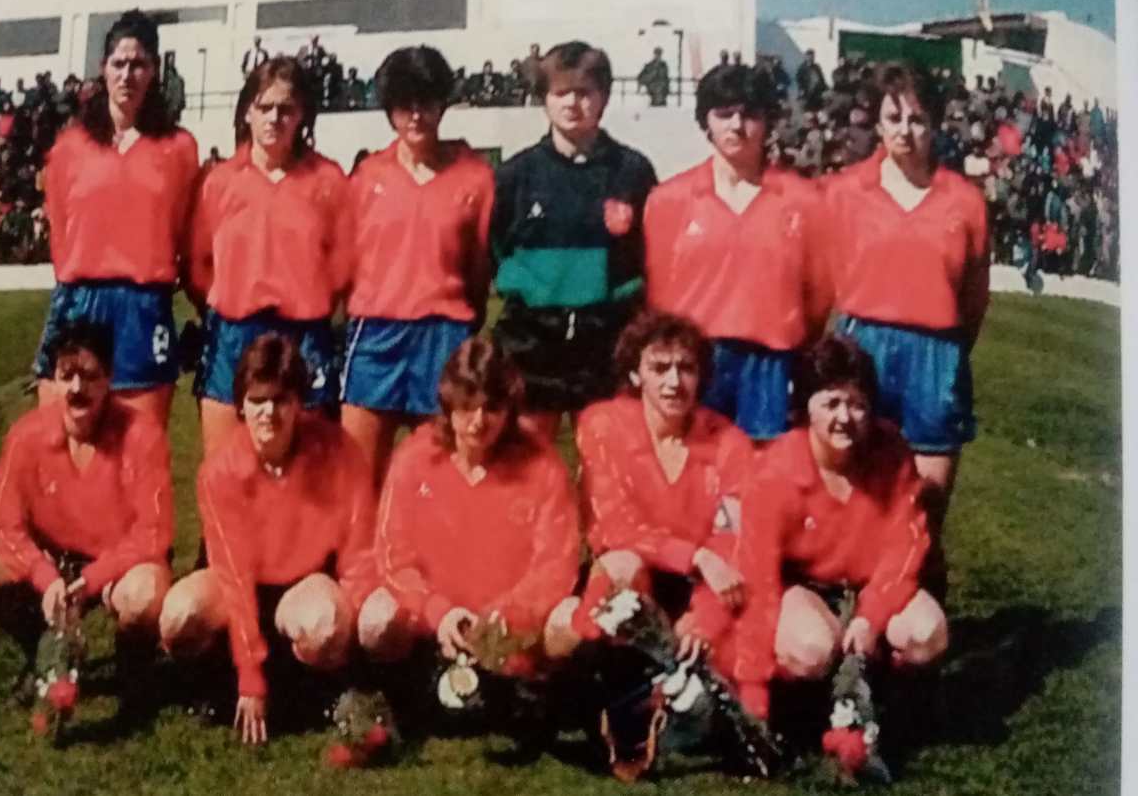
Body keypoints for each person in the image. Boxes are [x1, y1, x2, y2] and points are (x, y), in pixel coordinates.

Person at [823, 61, 989, 598]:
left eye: (918, 118)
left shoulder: (964, 201)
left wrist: (944, 352)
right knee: (858, 499)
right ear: (875, 121)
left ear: (936, 123)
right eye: (892, 117)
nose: (905, 130)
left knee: (924, 511)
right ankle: (854, 634)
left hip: (935, 356)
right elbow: (825, 276)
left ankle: (919, 650)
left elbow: (974, 299)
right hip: (862, 351)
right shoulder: (846, 192)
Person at [160, 334, 377, 745]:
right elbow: (234, 577)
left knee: (325, 625)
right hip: (240, 584)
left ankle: (323, 689)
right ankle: (210, 683)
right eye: (257, 401)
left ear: (299, 403)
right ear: (240, 405)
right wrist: (249, 677)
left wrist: (357, 647)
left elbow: (358, 550)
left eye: (281, 400)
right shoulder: (220, 472)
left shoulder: (337, 449)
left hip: (305, 581)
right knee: (179, 615)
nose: (269, 413)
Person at [720, 335, 947, 720]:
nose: (844, 417)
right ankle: (809, 698)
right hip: (806, 589)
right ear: (806, 406)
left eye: (857, 405)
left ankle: (874, 689)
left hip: (870, 588)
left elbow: (906, 549)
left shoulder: (892, 454)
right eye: (831, 403)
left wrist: (869, 618)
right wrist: (754, 683)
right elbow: (758, 575)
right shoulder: (775, 471)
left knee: (928, 634)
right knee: (811, 649)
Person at [0, 321, 174, 711]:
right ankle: (42, 650)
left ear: (109, 377)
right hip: (53, 559)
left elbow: (154, 531)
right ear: (53, 380)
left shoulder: (142, 435)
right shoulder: (26, 434)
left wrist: (93, 579)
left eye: (90, 376)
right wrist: (44, 576)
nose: (77, 388)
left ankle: (133, 667)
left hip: (114, 564)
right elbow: (0, 522)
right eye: (67, 376)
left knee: (145, 594)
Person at [358, 336, 582, 673]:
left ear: (509, 409)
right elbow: (393, 555)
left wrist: (501, 616)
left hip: (510, 625)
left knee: (572, 618)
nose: (479, 420)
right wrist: (438, 611)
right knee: (376, 618)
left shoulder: (543, 465)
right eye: (466, 406)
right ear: (448, 405)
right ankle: (397, 688)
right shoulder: (415, 457)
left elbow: (556, 566)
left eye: (491, 408)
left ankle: (544, 694)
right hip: (434, 618)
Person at [644, 64, 830, 441]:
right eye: (724, 114)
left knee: (763, 482)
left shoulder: (804, 201)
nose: (736, 126)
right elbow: (658, 293)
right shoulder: (670, 199)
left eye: (749, 114)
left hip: (772, 364)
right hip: (696, 359)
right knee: (694, 474)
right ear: (706, 121)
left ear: (767, 121)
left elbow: (819, 293)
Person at [34, 9, 199, 427]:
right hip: (79, 302)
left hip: (143, 308)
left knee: (138, 457)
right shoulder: (71, 146)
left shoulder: (178, 148)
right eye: (119, 63)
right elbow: (60, 230)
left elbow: (184, 231)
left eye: (139, 64)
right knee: (60, 451)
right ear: (103, 69)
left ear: (155, 71)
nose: (128, 75)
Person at [339, 46, 494, 486]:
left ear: (442, 104)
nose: (415, 116)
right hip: (376, 334)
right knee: (359, 473)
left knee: (440, 474)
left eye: (425, 102)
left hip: (443, 332)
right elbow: (349, 258)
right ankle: (358, 558)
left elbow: (479, 265)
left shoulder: (475, 176)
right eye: (404, 105)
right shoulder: (368, 176)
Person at [490, 41, 658, 441]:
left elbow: (647, 252)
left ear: (603, 98)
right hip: (533, 340)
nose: (572, 103)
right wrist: (536, 291)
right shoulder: (517, 174)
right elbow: (495, 248)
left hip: (605, 339)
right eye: (560, 92)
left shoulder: (631, 171)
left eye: (584, 92)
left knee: (606, 462)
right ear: (545, 100)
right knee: (528, 463)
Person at [186, 56, 352, 458]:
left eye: (286, 108)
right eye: (264, 107)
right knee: (228, 469)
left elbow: (345, 263)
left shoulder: (327, 180)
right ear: (247, 111)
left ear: (302, 115)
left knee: (311, 474)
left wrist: (308, 301)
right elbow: (198, 263)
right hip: (233, 334)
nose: (274, 118)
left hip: (304, 336)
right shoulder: (220, 180)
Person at [576, 311, 754, 670]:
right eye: (659, 369)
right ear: (634, 374)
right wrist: (695, 556)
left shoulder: (730, 444)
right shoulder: (602, 425)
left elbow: (730, 543)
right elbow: (617, 528)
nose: (674, 382)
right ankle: (606, 677)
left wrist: (703, 620)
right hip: (640, 570)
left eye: (686, 368)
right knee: (620, 567)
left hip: (702, 585)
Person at [162, 51, 187, 124]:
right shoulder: (170, 80)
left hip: (172, 108)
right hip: (171, 108)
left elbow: (177, 95)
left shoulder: (177, 80)